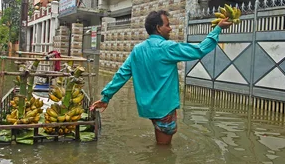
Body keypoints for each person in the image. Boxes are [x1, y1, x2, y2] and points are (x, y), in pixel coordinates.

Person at [90, 10, 232, 145]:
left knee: (160, 139)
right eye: (168, 25)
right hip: (164, 108)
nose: (170, 29)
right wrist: (217, 29)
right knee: (163, 149)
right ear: (158, 28)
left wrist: (106, 97)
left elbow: (122, 75)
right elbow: (200, 50)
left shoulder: (137, 50)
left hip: (148, 107)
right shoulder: (167, 47)